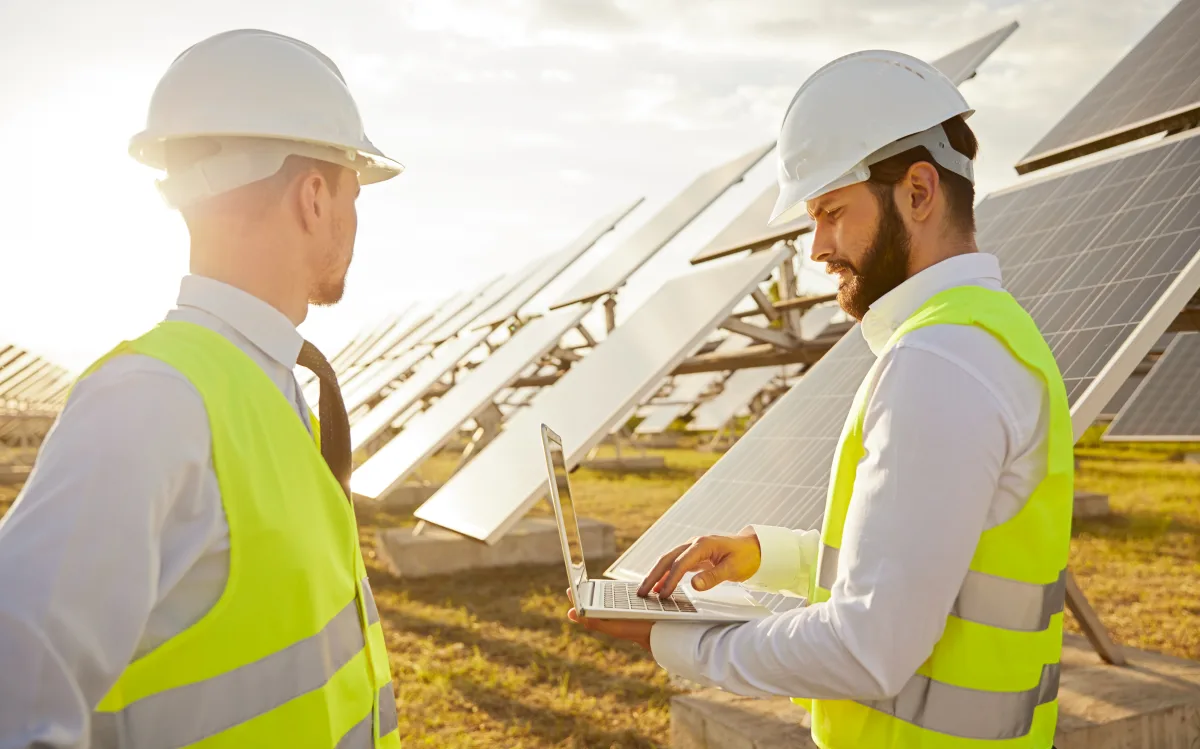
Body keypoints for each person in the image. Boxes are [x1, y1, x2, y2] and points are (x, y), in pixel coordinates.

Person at [569, 50, 1072, 748]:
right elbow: (913, 563)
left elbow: (867, 645)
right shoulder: (986, 336)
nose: (816, 248)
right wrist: (761, 554)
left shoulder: (941, 360)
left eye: (831, 212)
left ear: (919, 193)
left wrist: (674, 639)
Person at [0, 30, 404, 748]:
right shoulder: (150, 403)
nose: (353, 219)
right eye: (351, 190)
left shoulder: (261, 384)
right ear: (315, 197)